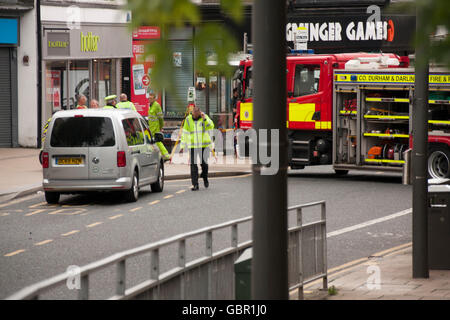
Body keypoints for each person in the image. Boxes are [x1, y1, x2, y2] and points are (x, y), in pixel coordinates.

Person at [180, 106, 215, 191]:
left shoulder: (204, 117)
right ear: (192, 113)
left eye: (196, 115)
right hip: (193, 146)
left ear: (199, 113)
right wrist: (182, 146)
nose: (194, 116)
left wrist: (204, 120)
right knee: (193, 165)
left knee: (204, 164)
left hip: (204, 145)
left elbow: (211, 126)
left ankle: (205, 177)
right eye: (193, 115)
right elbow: (185, 133)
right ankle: (195, 184)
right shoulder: (188, 119)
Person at [148, 93, 170, 161]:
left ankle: (166, 156)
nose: (149, 99)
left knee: (157, 142)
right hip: (151, 127)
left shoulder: (156, 105)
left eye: (151, 98)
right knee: (153, 142)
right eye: (149, 98)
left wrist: (161, 127)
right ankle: (158, 155)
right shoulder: (150, 106)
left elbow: (160, 117)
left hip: (156, 127)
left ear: (154, 99)